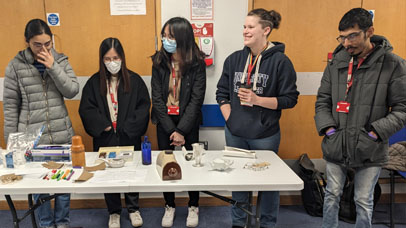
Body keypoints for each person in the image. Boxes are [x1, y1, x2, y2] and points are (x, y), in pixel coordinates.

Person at [315, 8, 406, 228]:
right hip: (337, 143)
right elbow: (322, 101)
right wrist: (329, 130)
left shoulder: (393, 64)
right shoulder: (336, 62)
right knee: (331, 195)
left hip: (370, 147)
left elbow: (402, 108)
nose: (346, 43)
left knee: (363, 201)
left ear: (369, 31)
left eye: (352, 36)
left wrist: (374, 133)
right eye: (343, 37)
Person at [216, 8, 299, 228]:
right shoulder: (234, 59)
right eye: (244, 26)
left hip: (265, 135)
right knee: (238, 181)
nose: (245, 31)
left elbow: (290, 99)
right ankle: (238, 222)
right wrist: (230, 119)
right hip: (235, 134)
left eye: (250, 27)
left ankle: (268, 223)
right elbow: (221, 93)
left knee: (268, 184)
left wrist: (258, 100)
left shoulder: (281, 62)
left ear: (266, 30)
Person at [3, 19, 79, 228]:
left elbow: (72, 90)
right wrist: (11, 144)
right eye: (38, 44)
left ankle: (62, 223)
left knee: (63, 183)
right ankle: (45, 224)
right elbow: (10, 107)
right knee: (38, 185)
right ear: (27, 42)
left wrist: (53, 67)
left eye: (48, 43)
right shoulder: (16, 66)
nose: (44, 49)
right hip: (31, 139)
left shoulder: (60, 60)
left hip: (61, 135)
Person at [79, 37, 150, 228]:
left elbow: (143, 107)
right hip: (106, 137)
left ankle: (134, 209)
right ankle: (114, 212)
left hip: (128, 136)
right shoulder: (94, 83)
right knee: (108, 174)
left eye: (116, 57)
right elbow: (86, 109)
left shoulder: (134, 81)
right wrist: (104, 125)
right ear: (102, 60)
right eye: (108, 59)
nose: (112, 62)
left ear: (122, 58)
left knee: (130, 172)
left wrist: (127, 127)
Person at [151, 17, 206, 228]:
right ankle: (170, 205)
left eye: (170, 36)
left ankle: (193, 205)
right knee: (168, 163)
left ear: (182, 38)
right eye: (164, 36)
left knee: (193, 163)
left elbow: (196, 99)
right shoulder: (159, 61)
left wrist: (181, 130)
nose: (166, 40)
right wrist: (171, 130)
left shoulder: (196, 63)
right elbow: (156, 98)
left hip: (188, 122)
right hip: (165, 121)